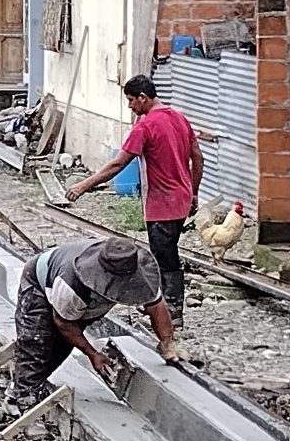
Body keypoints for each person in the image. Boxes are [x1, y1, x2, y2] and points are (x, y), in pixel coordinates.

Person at [66, 75, 204, 327]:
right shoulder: (179, 118)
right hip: (181, 200)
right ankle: (167, 306)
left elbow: (119, 163)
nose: (129, 106)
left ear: (143, 98)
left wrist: (83, 185)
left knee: (164, 257)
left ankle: (171, 310)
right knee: (168, 252)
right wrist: (193, 192)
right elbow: (198, 157)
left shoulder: (145, 126)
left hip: (162, 203)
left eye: (131, 100)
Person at [14, 236, 187, 405]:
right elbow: (64, 324)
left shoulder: (142, 277)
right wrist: (92, 354)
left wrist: (167, 342)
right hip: (39, 284)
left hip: (79, 304)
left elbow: (157, 307)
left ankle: (36, 386)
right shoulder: (72, 285)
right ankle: (22, 398)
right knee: (37, 342)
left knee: (61, 347)